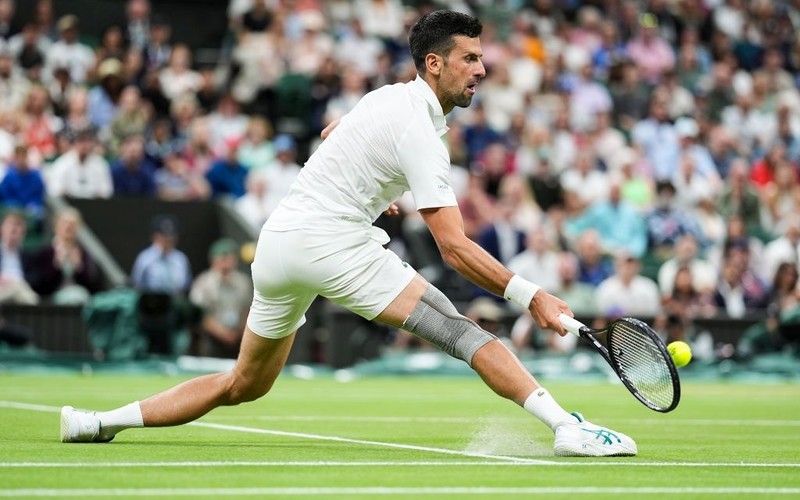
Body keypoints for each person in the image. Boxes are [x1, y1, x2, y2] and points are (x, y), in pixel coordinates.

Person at [60, 10, 636, 457]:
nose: (481, 70)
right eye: (469, 59)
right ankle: (568, 427)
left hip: (279, 245)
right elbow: (455, 248)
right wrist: (529, 294)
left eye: (481, 59)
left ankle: (98, 422)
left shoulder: (385, 98)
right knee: (461, 331)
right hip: (332, 244)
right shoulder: (422, 136)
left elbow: (339, 131)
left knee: (244, 383)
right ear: (434, 65)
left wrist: (373, 190)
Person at [189, 238, 252, 358]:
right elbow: (201, 315)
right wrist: (222, 334)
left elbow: (246, 310)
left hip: (237, 338)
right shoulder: (204, 282)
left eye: (231, 257)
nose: (227, 262)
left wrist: (238, 332)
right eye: (223, 257)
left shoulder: (243, 282)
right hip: (212, 339)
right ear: (213, 260)